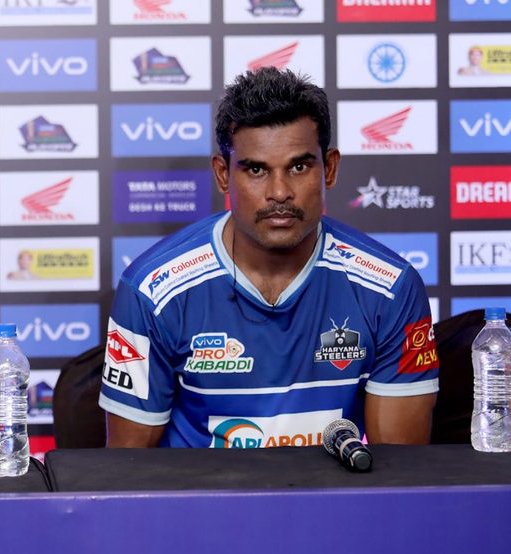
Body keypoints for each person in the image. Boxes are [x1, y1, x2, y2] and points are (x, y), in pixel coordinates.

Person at [99, 67, 438, 449]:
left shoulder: (392, 287)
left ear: (329, 168)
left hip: (330, 507)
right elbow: (129, 471)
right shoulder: (151, 290)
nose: (279, 192)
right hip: (202, 507)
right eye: (256, 169)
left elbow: (400, 473)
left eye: (298, 166)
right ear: (223, 174)